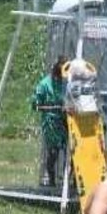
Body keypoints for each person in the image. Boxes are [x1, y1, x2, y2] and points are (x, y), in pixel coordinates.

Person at [31, 56, 69, 188]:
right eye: (59, 76)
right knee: (53, 152)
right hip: (51, 122)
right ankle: (51, 179)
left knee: (69, 151)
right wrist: (54, 107)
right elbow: (35, 106)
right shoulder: (44, 84)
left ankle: (67, 181)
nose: (61, 79)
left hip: (65, 122)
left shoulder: (66, 82)